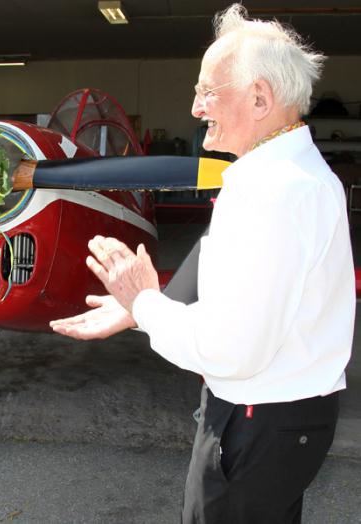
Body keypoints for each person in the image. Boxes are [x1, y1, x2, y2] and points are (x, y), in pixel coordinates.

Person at [50, 4, 354, 523]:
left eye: (207, 91)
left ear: (260, 98)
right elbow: (230, 274)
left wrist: (144, 302)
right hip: (288, 421)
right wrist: (142, 309)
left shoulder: (271, 191)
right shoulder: (291, 172)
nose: (195, 108)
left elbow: (230, 351)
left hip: (255, 421)